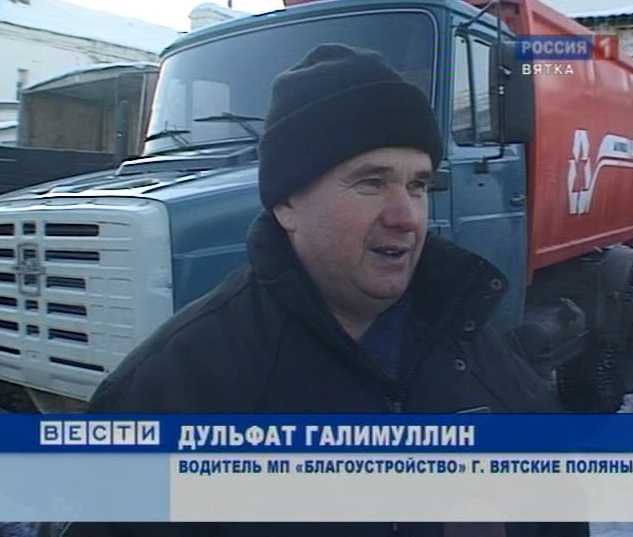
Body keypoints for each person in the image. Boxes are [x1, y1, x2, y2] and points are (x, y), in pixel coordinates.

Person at [62, 44, 587, 537]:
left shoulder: (473, 342)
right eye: (371, 182)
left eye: (418, 185)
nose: (406, 216)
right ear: (287, 204)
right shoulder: (175, 390)